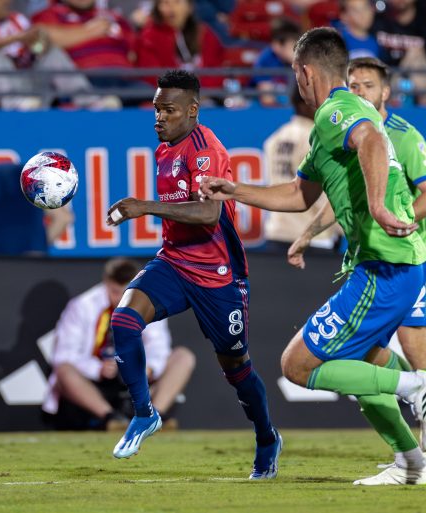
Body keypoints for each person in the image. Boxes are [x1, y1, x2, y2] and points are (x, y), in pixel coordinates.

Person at [200, 28, 426, 486]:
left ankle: (418, 386)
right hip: (390, 263)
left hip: (385, 266)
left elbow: (372, 139)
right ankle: (412, 463)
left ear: (305, 72)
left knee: (297, 365)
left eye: (295, 74)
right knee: (367, 363)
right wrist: (237, 190)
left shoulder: (338, 110)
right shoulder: (332, 123)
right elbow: (299, 194)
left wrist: (376, 205)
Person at [104, 69, 282, 480]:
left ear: (193, 111)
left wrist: (144, 206)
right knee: (125, 319)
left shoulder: (206, 151)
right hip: (174, 260)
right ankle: (145, 413)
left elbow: (207, 213)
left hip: (218, 274)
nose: (159, 117)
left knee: (236, 369)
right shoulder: (164, 147)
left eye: (168, 110)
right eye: (156, 109)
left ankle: (267, 436)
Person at [287, 57, 426, 460]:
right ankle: (412, 454)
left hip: (406, 255)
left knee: (414, 345)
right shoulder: (349, 129)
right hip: (371, 256)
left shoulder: (400, 135)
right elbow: (337, 192)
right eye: (354, 83)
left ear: (385, 93)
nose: (359, 89)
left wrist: (394, 220)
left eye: (368, 84)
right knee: (372, 354)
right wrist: (310, 232)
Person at [42, 258, 195, 431]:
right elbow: (63, 355)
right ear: (106, 283)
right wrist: (98, 369)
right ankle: (112, 419)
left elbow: (159, 346)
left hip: (138, 381)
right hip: (96, 383)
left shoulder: (149, 302)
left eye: (127, 291)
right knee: (63, 370)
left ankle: (153, 417)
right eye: (116, 291)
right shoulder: (81, 306)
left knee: (183, 357)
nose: (122, 298)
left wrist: (148, 368)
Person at [0, 0, 97, 110]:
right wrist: (17, 38)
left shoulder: (17, 20)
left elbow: (36, 52)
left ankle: (90, 102)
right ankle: (17, 105)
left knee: (53, 54)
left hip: (27, 84)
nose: (7, 2)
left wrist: (40, 41)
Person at [263, 87, 341, 252]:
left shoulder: (275, 138)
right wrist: (339, 228)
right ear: (304, 104)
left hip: (278, 231)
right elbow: (326, 193)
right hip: (312, 237)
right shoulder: (315, 139)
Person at [31, 0, 137, 89]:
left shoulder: (114, 17)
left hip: (126, 79)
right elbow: (42, 38)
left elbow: (133, 52)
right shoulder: (51, 14)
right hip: (86, 81)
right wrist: (90, 30)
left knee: (148, 94)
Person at [135, 0, 225, 88]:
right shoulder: (149, 37)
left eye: (177, 2)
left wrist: (201, 90)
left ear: (189, 7)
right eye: (165, 2)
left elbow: (218, 69)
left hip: (206, 97)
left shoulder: (204, 33)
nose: (171, 7)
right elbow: (152, 76)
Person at [250, 17, 301, 106]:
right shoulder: (265, 61)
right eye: (292, 47)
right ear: (276, 46)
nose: (296, 52)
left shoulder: (303, 59)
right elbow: (267, 100)